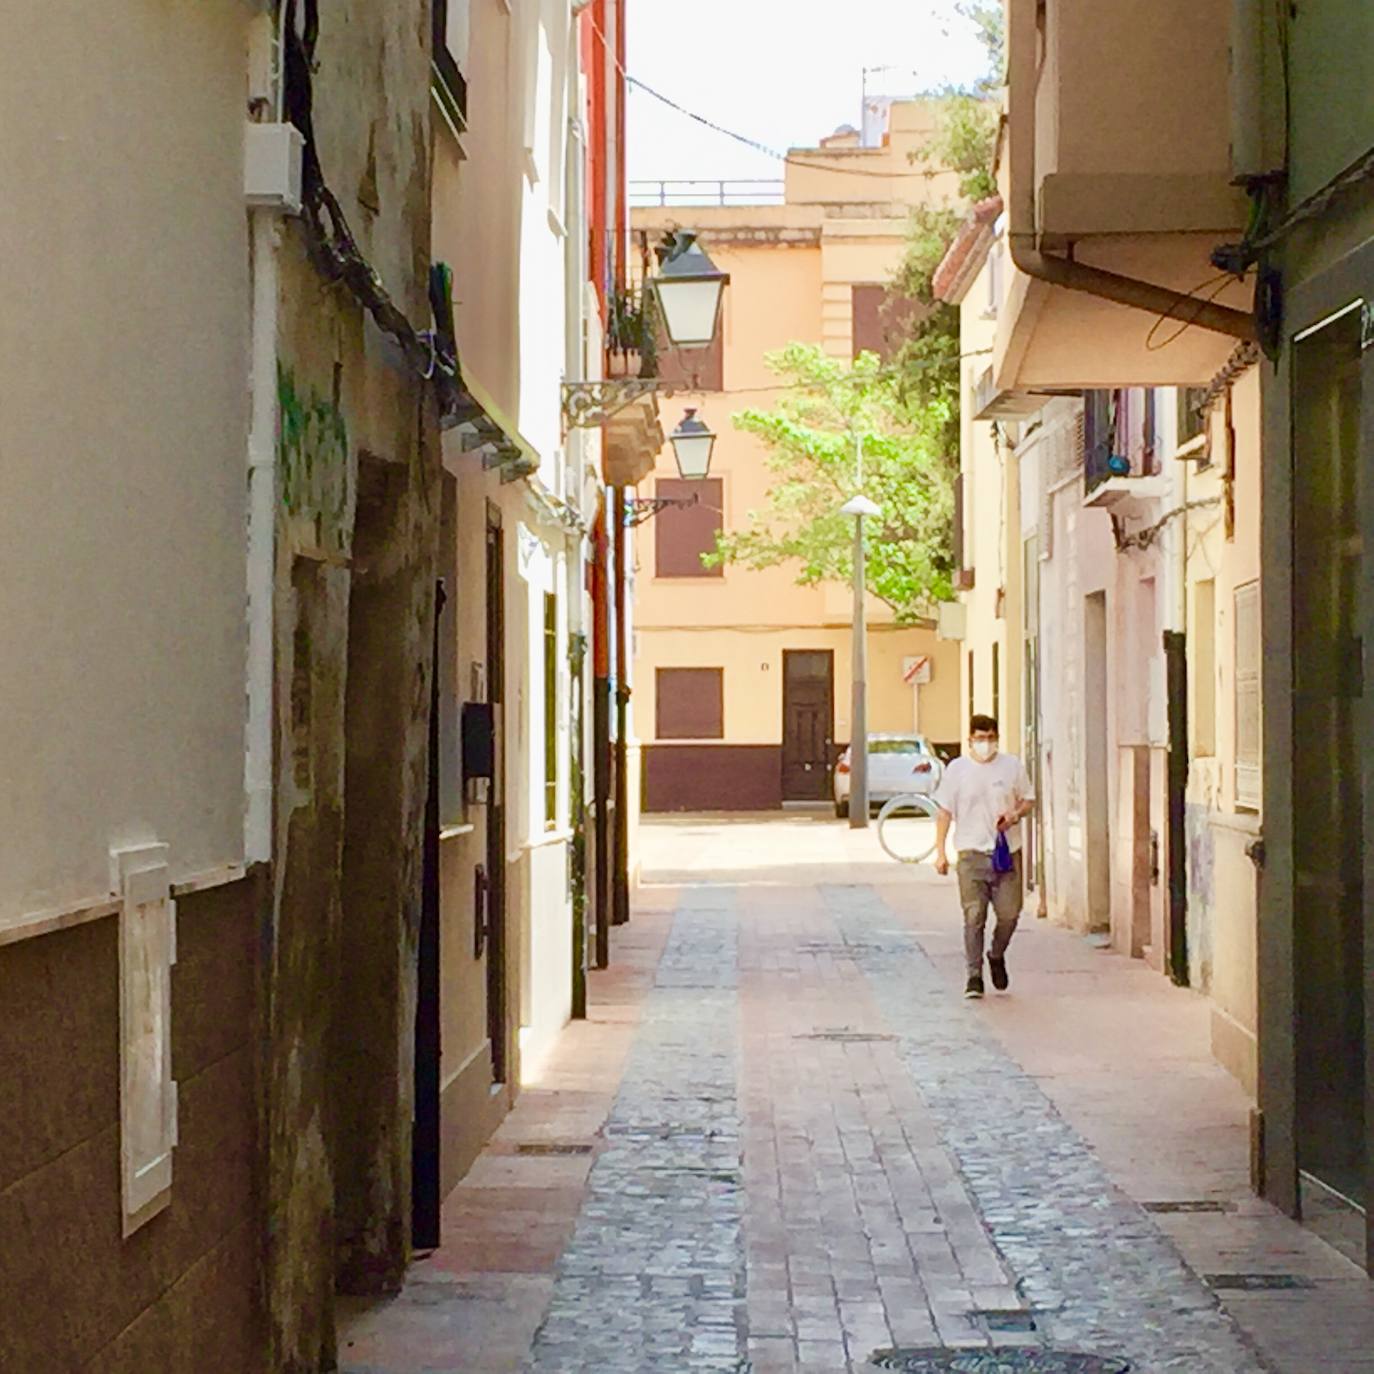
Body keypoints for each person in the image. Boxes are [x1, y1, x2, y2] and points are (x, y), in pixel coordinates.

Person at [931, 714, 1034, 999]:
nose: (984, 743)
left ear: (996, 739)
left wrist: (1015, 814)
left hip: (1006, 854)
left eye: (989, 738)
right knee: (973, 916)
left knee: (1009, 914)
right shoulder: (957, 770)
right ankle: (974, 976)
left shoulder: (1012, 766)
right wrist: (940, 851)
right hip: (970, 854)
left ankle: (996, 953)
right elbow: (944, 812)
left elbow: (1028, 799)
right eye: (979, 738)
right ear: (970, 740)